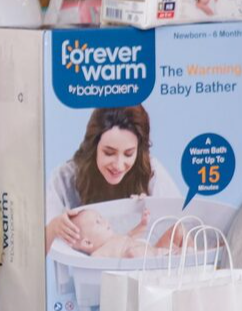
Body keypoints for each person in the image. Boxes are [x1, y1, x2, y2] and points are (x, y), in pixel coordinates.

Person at [45, 105, 180, 254]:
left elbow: (181, 219)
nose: (118, 165)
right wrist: (53, 228)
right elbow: (36, 249)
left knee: (180, 230)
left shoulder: (149, 171)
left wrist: (148, 208)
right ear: (94, 147)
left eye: (128, 154)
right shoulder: (66, 178)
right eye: (109, 153)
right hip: (118, 263)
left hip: (154, 258)